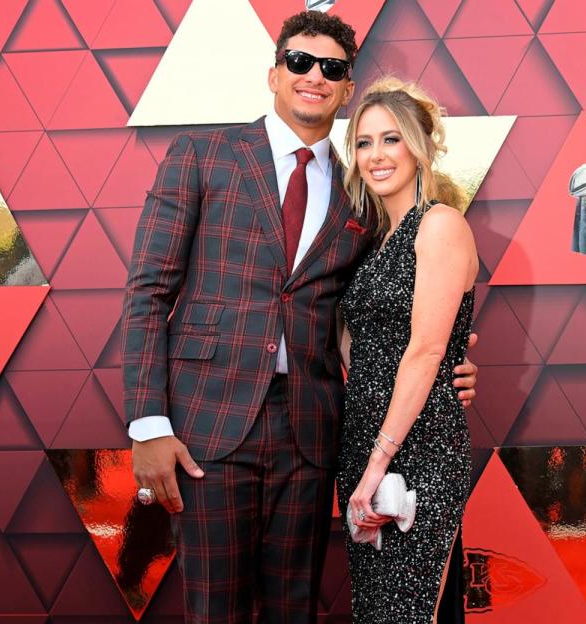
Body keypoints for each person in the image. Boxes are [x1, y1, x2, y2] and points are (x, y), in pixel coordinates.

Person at [120, 12, 477, 623]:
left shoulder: (357, 190)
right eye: (300, 61)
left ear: (345, 88)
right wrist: (147, 423)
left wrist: (453, 365)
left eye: (332, 69)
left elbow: (398, 304)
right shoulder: (203, 156)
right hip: (210, 426)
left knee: (295, 610)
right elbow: (149, 291)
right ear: (274, 73)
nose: (314, 75)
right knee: (213, 611)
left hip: (312, 434)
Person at [335, 77, 478, 623]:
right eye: (364, 143)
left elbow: (423, 352)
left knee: (413, 610)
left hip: (415, 451)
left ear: (418, 147)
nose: (376, 155)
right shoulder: (376, 242)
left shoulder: (439, 225)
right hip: (367, 447)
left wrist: (377, 464)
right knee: (378, 610)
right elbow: (363, 347)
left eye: (390, 139)